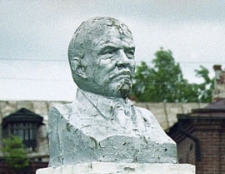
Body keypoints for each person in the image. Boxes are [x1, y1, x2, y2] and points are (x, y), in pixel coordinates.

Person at [48, 16, 177, 166]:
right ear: (80, 67)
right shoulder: (66, 118)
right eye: (109, 52)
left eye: (129, 53)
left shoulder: (148, 120)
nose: (124, 61)